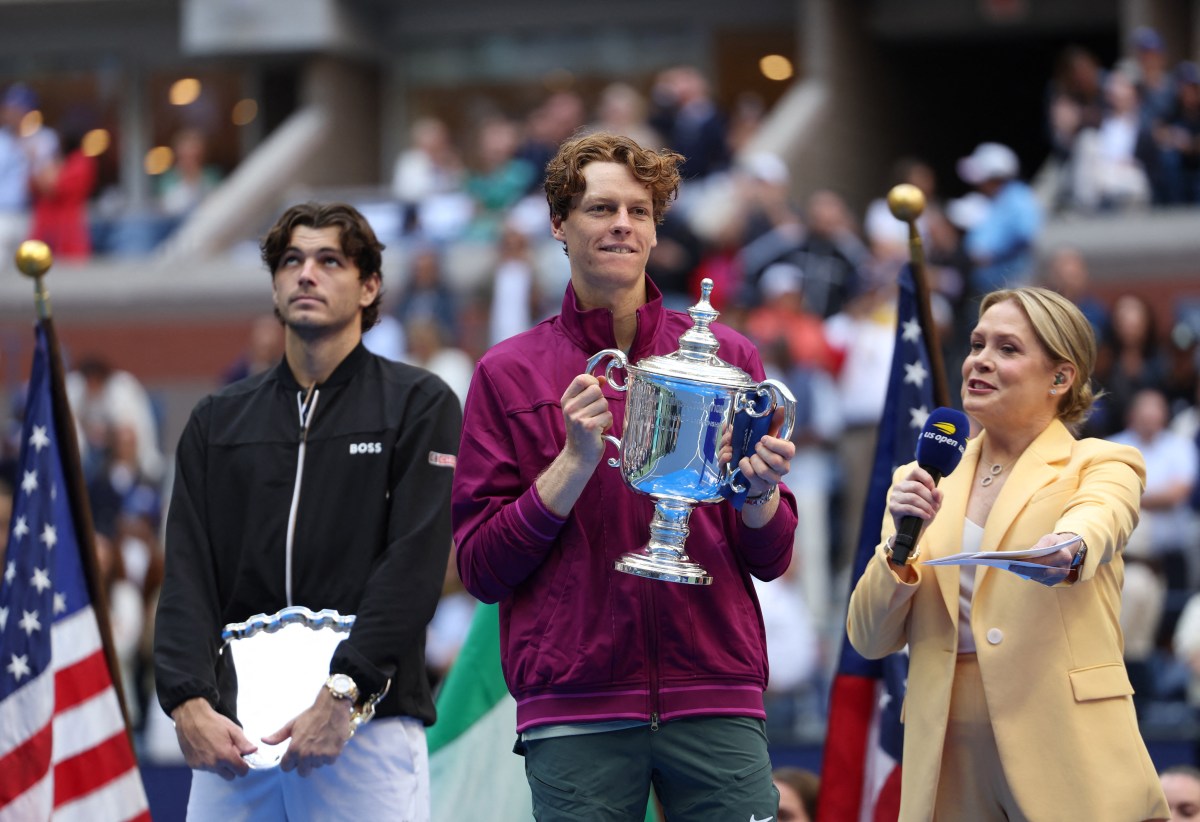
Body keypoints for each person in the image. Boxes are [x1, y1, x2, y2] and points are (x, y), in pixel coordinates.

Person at [452, 132, 798, 821]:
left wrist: (758, 492)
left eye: (639, 211)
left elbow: (773, 555)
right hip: (575, 704)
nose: (622, 225)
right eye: (600, 209)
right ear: (558, 223)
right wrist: (571, 466)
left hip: (715, 690)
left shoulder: (728, 356)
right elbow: (481, 570)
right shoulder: (507, 372)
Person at [153, 202, 461, 821]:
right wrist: (186, 701)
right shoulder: (217, 421)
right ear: (273, 284)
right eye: (291, 261)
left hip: (365, 730)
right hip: (233, 742)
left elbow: (414, 566)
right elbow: (187, 572)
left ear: (369, 285)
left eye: (329, 261)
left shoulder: (418, 403)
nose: (306, 275)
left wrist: (344, 693)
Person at [847, 286, 1170, 821]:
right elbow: (869, 635)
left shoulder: (1103, 462)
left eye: (1008, 349)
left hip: (1067, 748)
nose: (981, 361)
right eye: (977, 344)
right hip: (947, 755)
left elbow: (1100, 517)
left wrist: (1068, 546)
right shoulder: (919, 479)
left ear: (1061, 378)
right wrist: (896, 553)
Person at [956, 142, 1043, 298]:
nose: (978, 183)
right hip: (985, 288)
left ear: (996, 177)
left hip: (1012, 287)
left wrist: (992, 252)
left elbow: (1026, 233)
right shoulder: (989, 200)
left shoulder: (1019, 197)